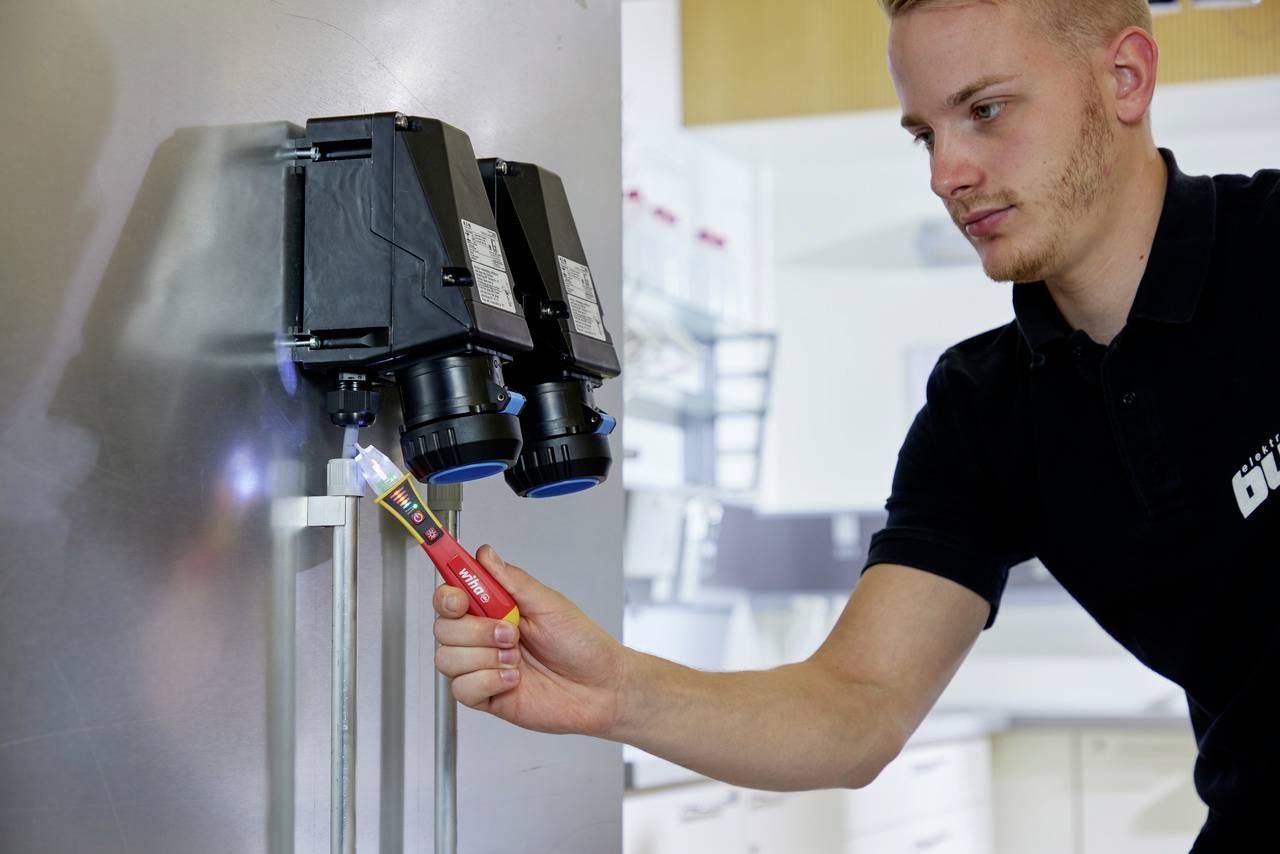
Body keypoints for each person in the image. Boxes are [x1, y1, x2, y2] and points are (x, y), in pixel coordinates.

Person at [432, 1, 1279, 850]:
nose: (947, 173)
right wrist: (615, 691)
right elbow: (856, 707)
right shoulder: (981, 412)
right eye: (925, 134)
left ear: (1125, 78)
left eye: (985, 110)